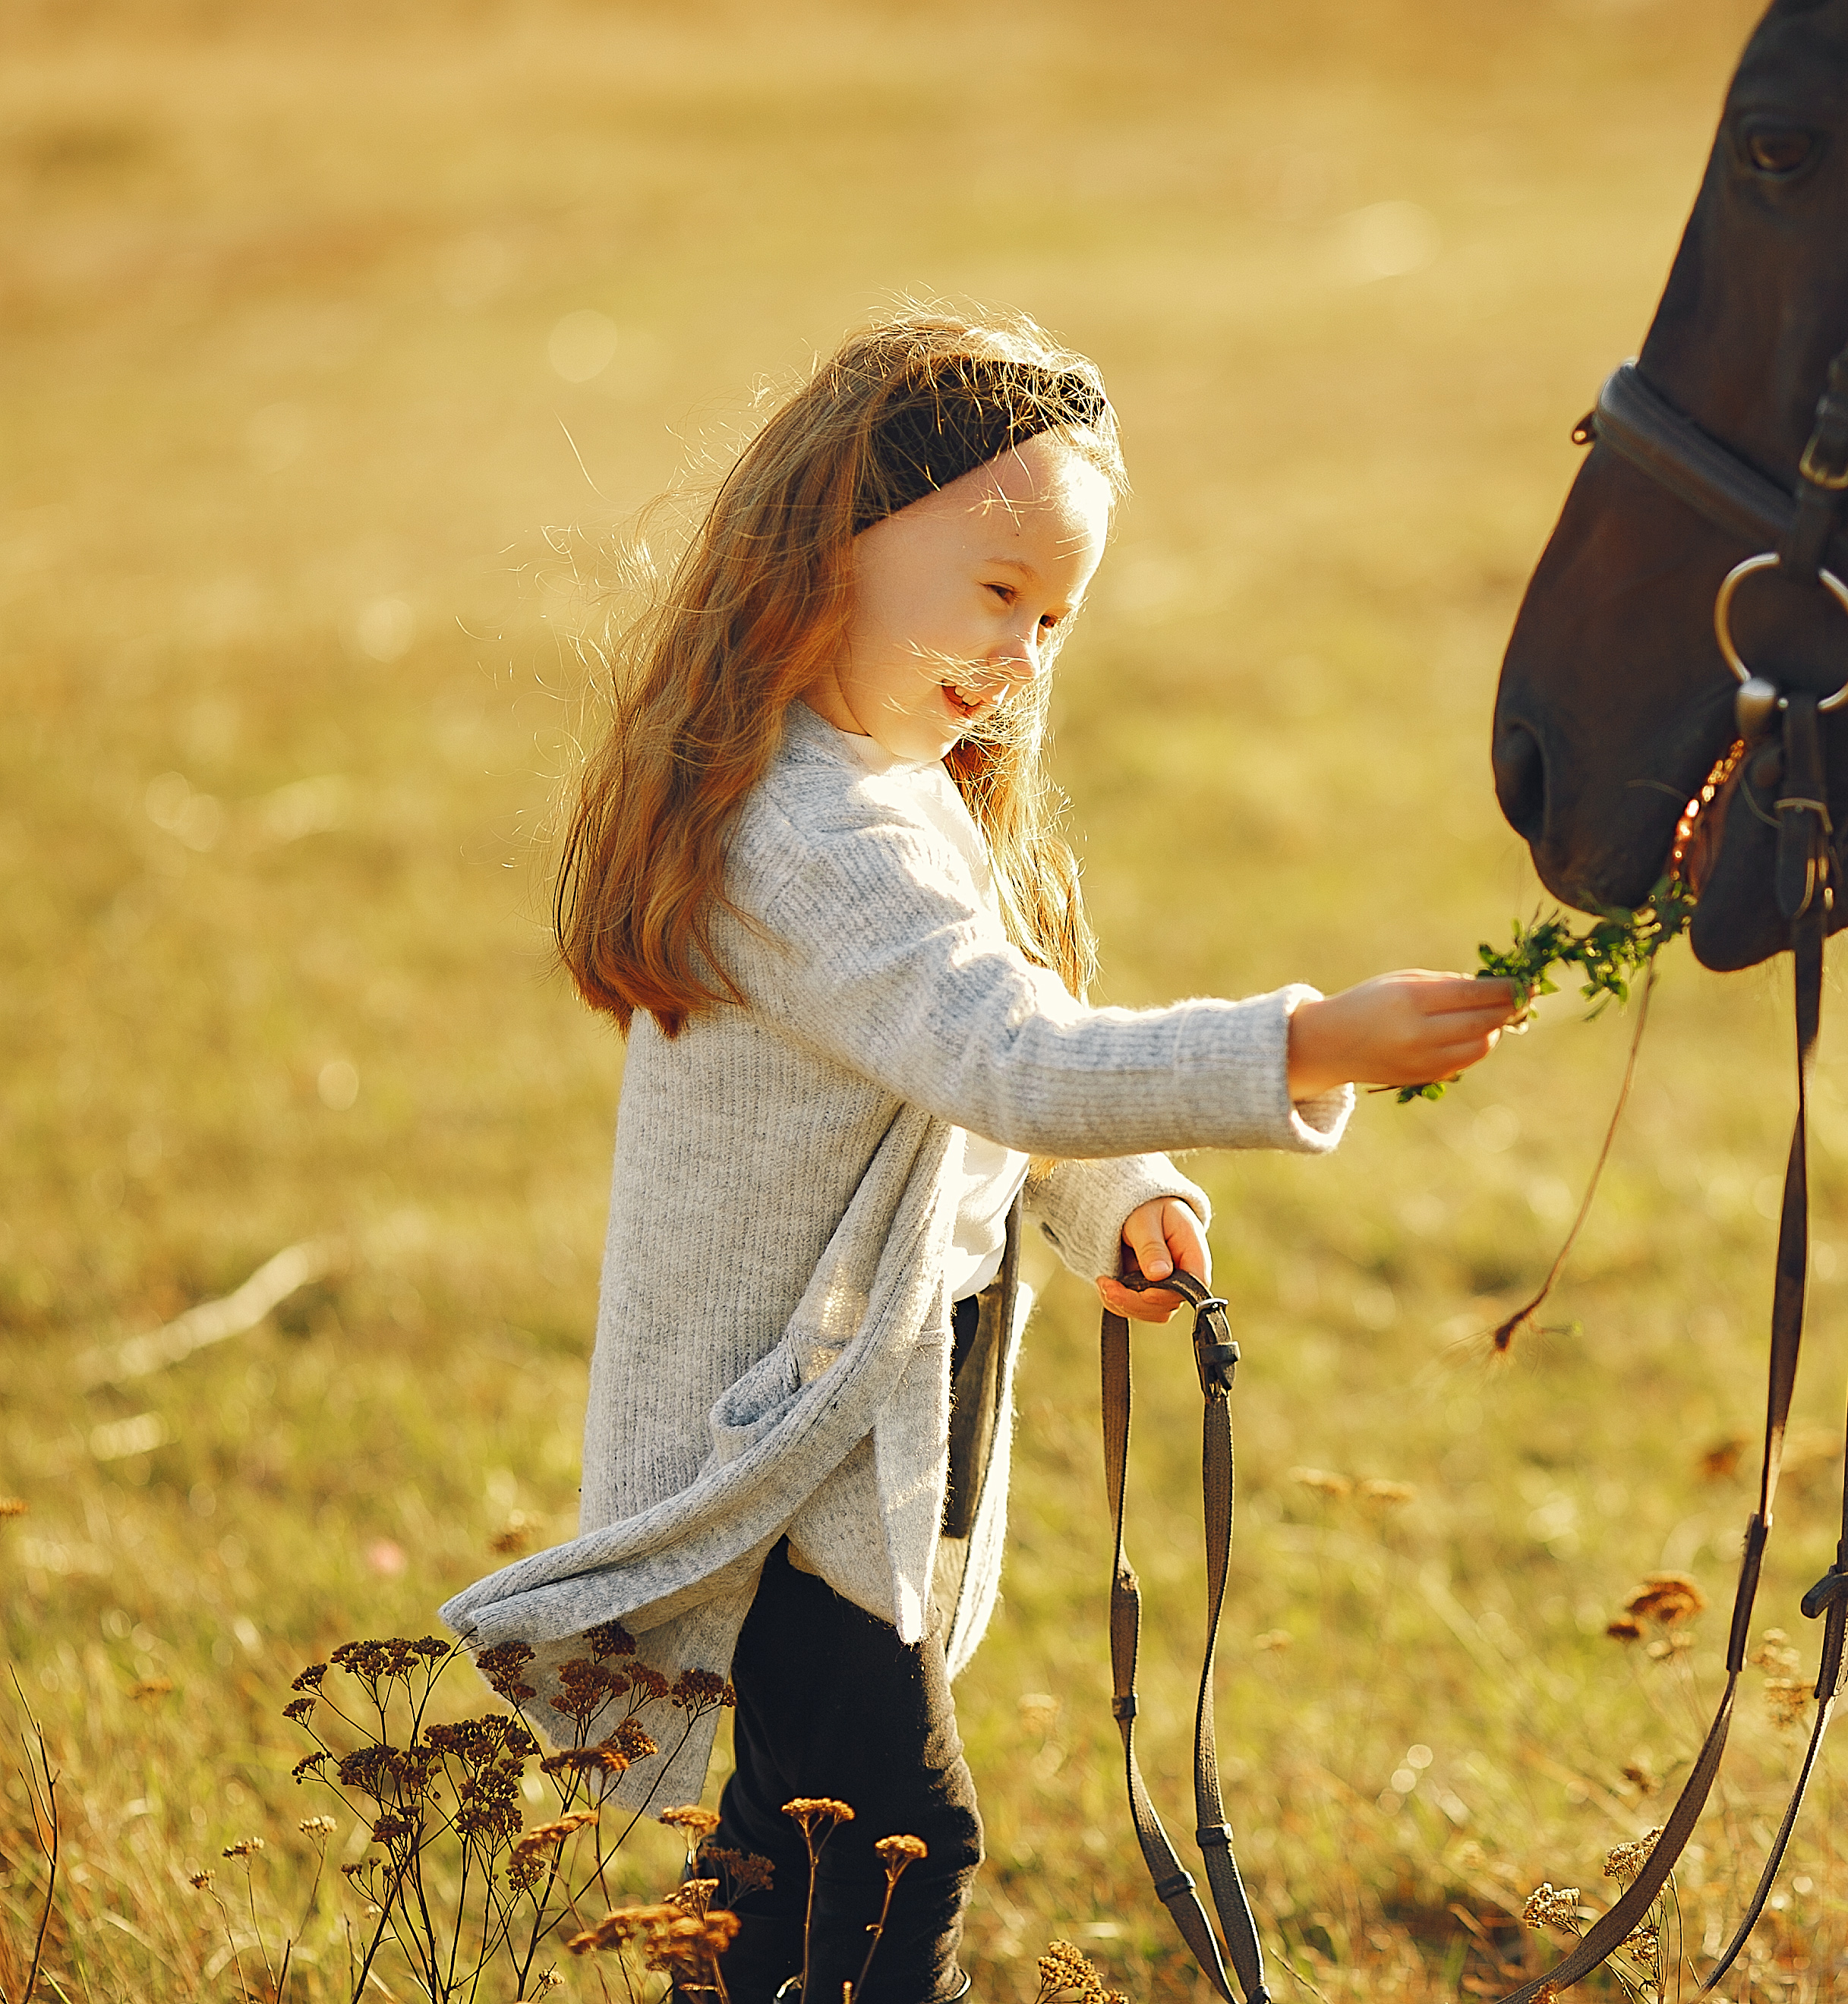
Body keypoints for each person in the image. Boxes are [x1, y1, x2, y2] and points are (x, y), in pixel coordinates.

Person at [440, 310, 1518, 2002]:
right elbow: (1011, 1061)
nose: (1025, 654)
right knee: (890, 1843)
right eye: (998, 593)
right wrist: (1306, 1044)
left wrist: (1120, 1199)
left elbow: (966, 1069)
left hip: (860, 1425)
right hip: (785, 1457)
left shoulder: (890, 786)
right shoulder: (810, 828)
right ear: (830, 548)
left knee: (797, 1856)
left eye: (1058, 617)